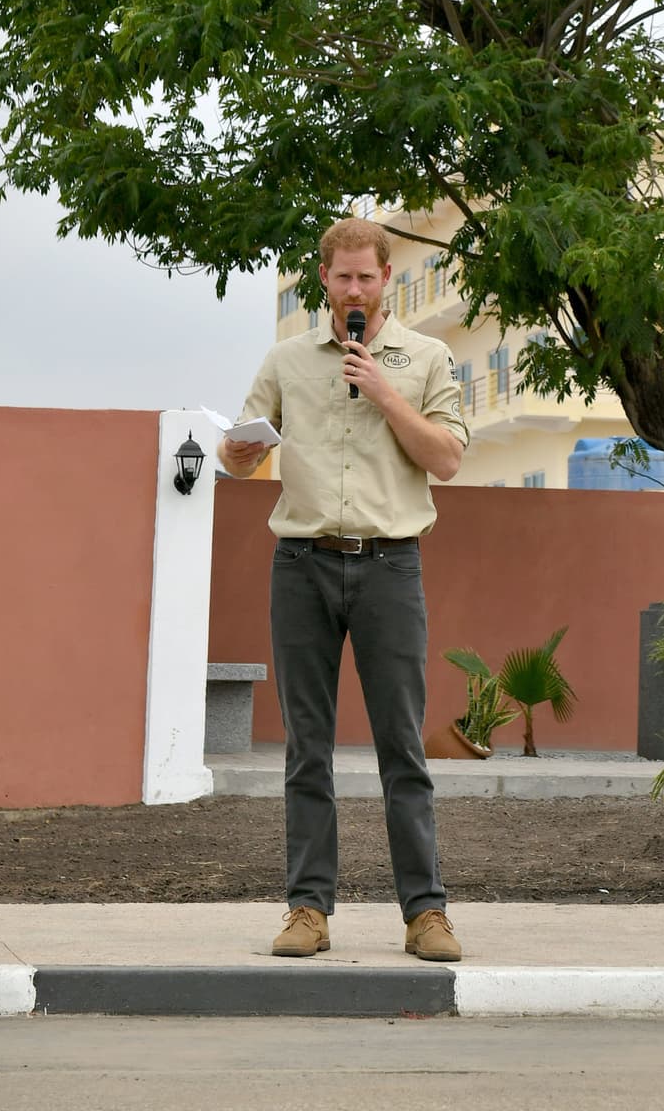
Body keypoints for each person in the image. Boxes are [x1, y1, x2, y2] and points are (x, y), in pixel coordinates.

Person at [218, 217, 469, 962]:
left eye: (367, 276)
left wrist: (387, 394)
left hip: (392, 565)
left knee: (402, 747)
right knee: (306, 748)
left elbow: (448, 460)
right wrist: (235, 451)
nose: (354, 288)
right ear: (322, 280)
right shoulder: (287, 360)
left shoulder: (425, 358)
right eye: (342, 276)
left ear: (386, 279)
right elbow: (242, 451)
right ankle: (307, 909)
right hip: (302, 564)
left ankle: (426, 913)